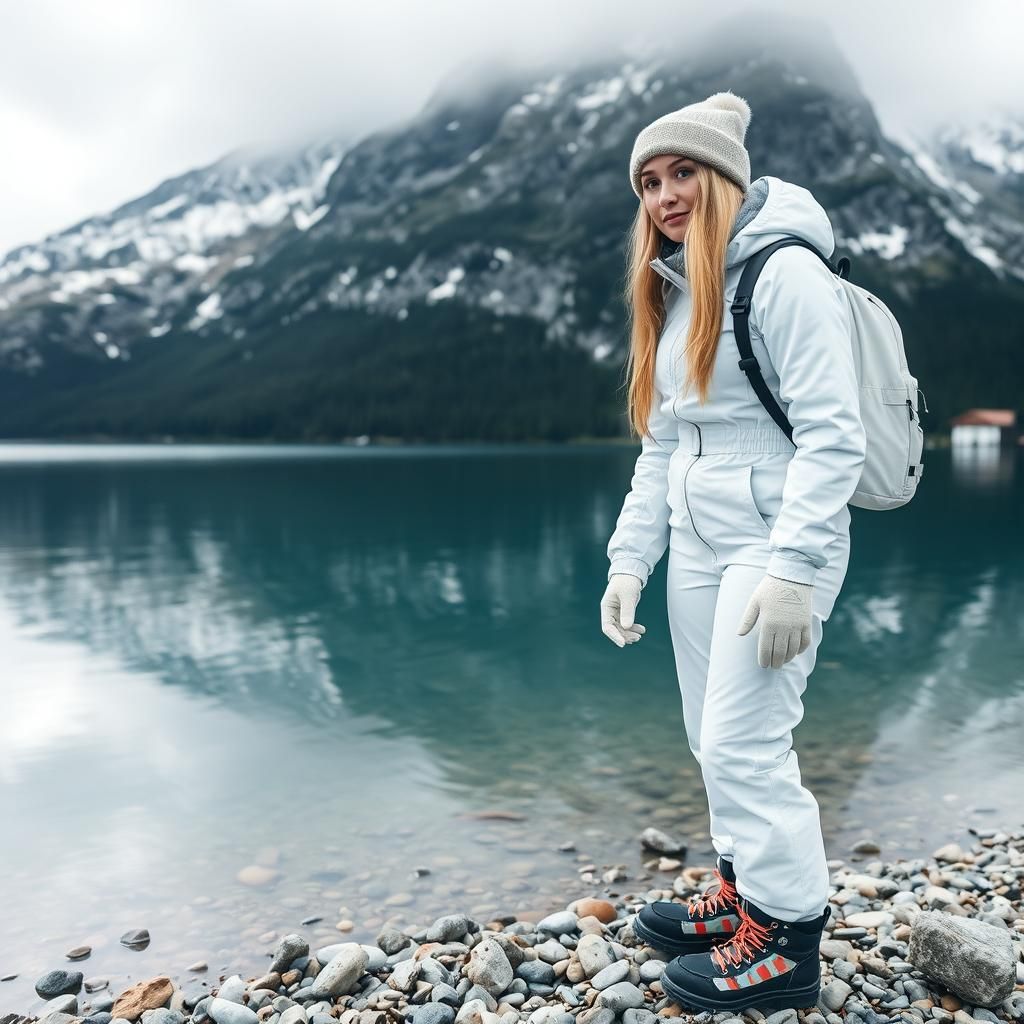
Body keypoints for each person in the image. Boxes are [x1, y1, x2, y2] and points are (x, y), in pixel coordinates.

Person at [599, 91, 867, 1012]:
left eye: (681, 174)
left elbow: (836, 437)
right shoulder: (677, 292)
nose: (665, 195)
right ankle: (745, 891)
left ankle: (788, 944)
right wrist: (628, 561)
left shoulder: (786, 273)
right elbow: (665, 444)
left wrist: (794, 570)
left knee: (746, 743)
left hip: (777, 540)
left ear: (724, 179)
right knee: (708, 741)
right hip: (701, 543)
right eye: (649, 182)